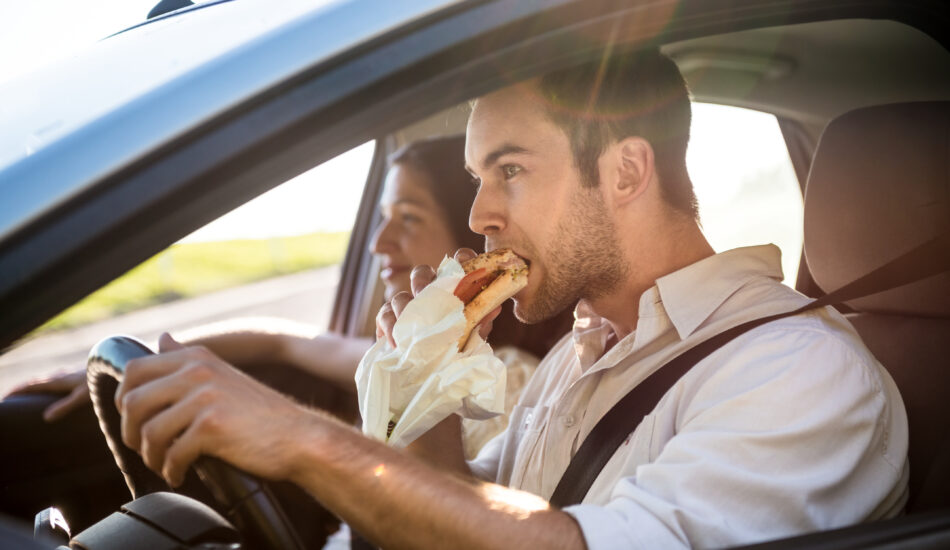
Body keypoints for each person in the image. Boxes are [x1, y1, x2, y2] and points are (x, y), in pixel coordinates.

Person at [96, 49, 907, 549]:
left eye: (510, 170)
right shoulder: (581, 354)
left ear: (625, 172)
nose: (481, 214)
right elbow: (461, 518)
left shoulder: (797, 371)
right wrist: (426, 390)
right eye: (478, 178)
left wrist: (303, 439)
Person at [5, 135, 571, 462]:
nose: (379, 242)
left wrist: (289, 435)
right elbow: (286, 340)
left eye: (409, 218)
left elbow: (461, 524)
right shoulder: (407, 356)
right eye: (380, 218)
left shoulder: (509, 384)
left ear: (466, 243)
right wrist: (141, 362)